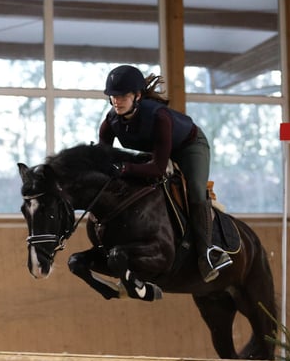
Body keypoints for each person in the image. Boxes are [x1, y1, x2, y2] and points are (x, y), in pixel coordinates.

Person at [98, 64, 232, 283]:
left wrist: (125, 168)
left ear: (138, 95)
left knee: (196, 191)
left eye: (122, 96)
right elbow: (103, 158)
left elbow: (158, 168)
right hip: (158, 150)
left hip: (189, 147)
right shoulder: (110, 122)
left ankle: (207, 253)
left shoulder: (159, 117)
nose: (116, 101)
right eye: (113, 96)